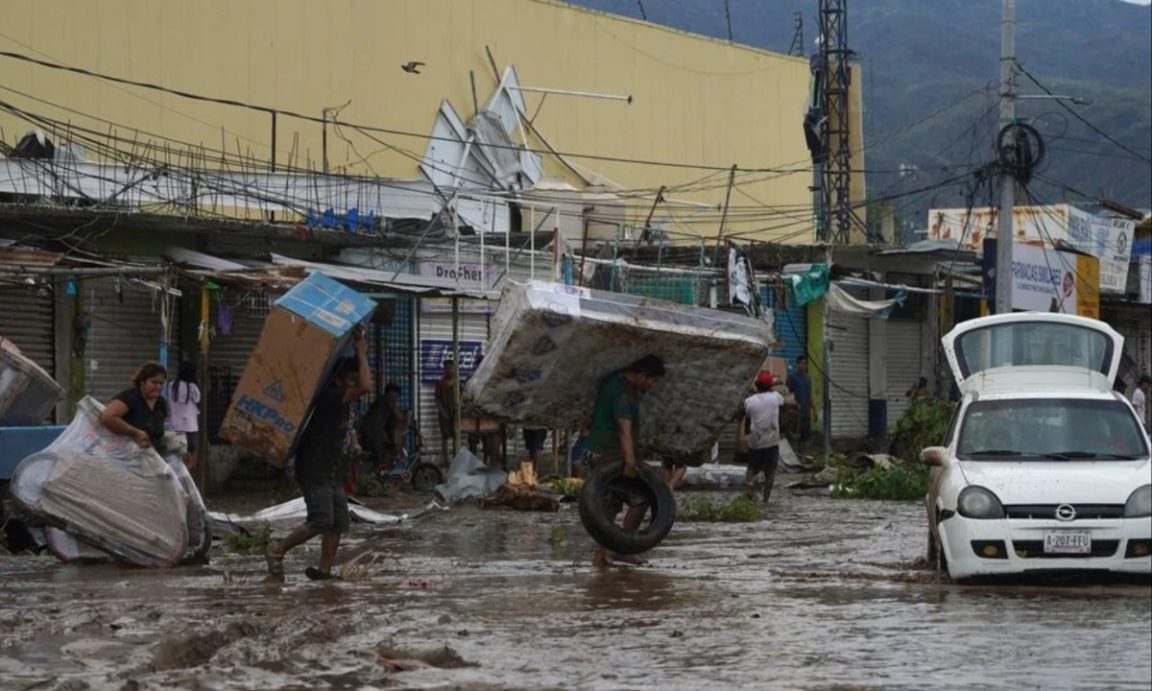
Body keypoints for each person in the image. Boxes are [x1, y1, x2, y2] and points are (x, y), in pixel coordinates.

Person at [266, 328, 372, 581]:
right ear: (339, 380)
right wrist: (361, 353)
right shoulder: (331, 396)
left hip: (333, 471)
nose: (355, 384)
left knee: (338, 523)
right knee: (321, 519)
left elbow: (347, 427)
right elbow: (367, 386)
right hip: (314, 468)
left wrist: (354, 445)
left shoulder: (343, 404)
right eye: (351, 380)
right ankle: (277, 549)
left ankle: (324, 571)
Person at [586, 354, 666, 567]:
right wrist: (630, 461)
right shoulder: (623, 396)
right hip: (610, 453)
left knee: (610, 505)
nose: (652, 385)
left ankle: (601, 555)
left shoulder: (612, 380)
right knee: (640, 498)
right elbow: (624, 430)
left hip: (596, 449)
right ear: (641, 375)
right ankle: (623, 547)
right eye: (652, 380)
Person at [101, 362, 169, 451]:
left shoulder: (161, 402)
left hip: (152, 458)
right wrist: (135, 432)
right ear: (142, 381)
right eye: (154, 382)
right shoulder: (130, 397)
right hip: (125, 457)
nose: (158, 387)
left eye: (161, 383)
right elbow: (108, 417)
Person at [743, 371, 785, 503]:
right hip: (771, 440)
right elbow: (782, 401)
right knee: (770, 472)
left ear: (757, 385)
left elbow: (748, 418)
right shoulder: (776, 397)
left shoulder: (749, 401)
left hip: (755, 440)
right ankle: (766, 500)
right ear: (769, 386)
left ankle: (749, 492)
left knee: (751, 468)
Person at [359, 383, 409, 471]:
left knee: (383, 455)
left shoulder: (382, 401)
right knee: (380, 456)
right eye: (396, 394)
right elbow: (398, 416)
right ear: (390, 393)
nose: (397, 398)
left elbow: (390, 424)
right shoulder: (386, 401)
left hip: (374, 433)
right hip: (372, 433)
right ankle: (372, 478)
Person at [168, 360, 202, 472]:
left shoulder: (171, 385)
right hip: (190, 426)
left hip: (175, 425)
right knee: (191, 451)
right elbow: (198, 399)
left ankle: (179, 473)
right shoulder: (192, 387)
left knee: (177, 453)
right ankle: (188, 473)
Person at [434, 359, 457, 464]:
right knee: (445, 437)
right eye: (446, 368)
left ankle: (456, 458)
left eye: (450, 368)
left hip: (455, 414)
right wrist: (443, 412)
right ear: (444, 369)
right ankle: (445, 460)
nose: (449, 370)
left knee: (456, 436)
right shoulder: (440, 383)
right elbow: (437, 399)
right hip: (444, 414)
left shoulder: (457, 383)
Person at [786, 355, 813, 445]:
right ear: (797, 364)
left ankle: (804, 453)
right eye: (800, 363)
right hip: (796, 410)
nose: (802, 365)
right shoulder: (792, 377)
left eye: (804, 363)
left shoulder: (808, 378)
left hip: (806, 409)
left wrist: (814, 410)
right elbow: (788, 394)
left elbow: (810, 394)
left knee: (806, 433)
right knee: (796, 433)